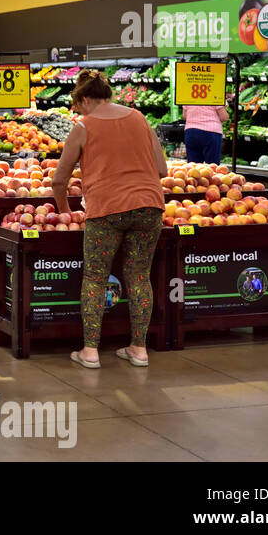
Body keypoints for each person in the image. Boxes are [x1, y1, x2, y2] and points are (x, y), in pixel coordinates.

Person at [52, 70, 167, 369]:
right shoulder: (140, 118)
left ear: (85, 99)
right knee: (139, 276)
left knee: (95, 277)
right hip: (149, 206)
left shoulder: (83, 126)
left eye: (78, 104)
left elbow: (59, 179)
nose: (78, 110)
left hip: (106, 210)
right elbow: (162, 169)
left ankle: (90, 351)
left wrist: (65, 210)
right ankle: (139, 349)